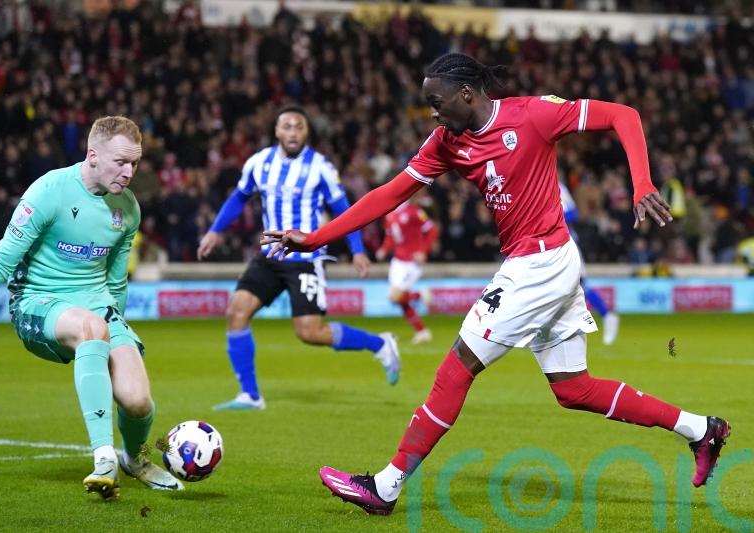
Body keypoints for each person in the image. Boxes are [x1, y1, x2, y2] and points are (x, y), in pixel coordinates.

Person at [262, 53, 730, 515]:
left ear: (467, 94)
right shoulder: (447, 140)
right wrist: (318, 238)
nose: (432, 112)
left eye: (437, 101)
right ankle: (700, 429)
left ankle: (385, 487)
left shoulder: (534, 114)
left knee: (458, 365)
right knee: (574, 389)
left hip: (538, 265)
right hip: (545, 261)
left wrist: (641, 182)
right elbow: (391, 192)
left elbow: (623, 115)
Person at [0, 116, 183, 500]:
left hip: (99, 307)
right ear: (93, 155)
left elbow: (115, 283)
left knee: (137, 401)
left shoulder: (127, 208)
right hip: (38, 304)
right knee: (90, 327)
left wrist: (120, 337)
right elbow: (1, 261)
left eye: (135, 163)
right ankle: (103, 456)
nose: (129, 173)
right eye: (120, 162)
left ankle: (135, 459)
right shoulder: (49, 191)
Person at [198, 105, 400, 412]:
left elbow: (344, 210)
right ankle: (250, 395)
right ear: (277, 131)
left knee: (309, 332)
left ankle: (381, 344)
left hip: (305, 257)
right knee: (236, 312)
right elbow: (239, 197)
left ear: (306, 132)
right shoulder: (259, 163)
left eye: (298, 127)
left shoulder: (320, 167)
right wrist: (215, 231)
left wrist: (357, 249)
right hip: (269, 255)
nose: (293, 132)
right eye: (287, 127)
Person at [559, 180, 620, 345]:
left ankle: (607, 315)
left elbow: (572, 213)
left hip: (565, 243)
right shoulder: (529, 184)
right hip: (542, 247)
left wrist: (550, 219)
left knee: (580, 284)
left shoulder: (556, 185)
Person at [375, 196, 438, 344]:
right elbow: (391, 237)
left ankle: (420, 295)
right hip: (397, 261)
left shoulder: (414, 212)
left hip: (412, 262)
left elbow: (432, 230)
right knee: (400, 300)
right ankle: (422, 331)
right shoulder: (389, 214)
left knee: (395, 297)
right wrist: (384, 249)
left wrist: (423, 251)